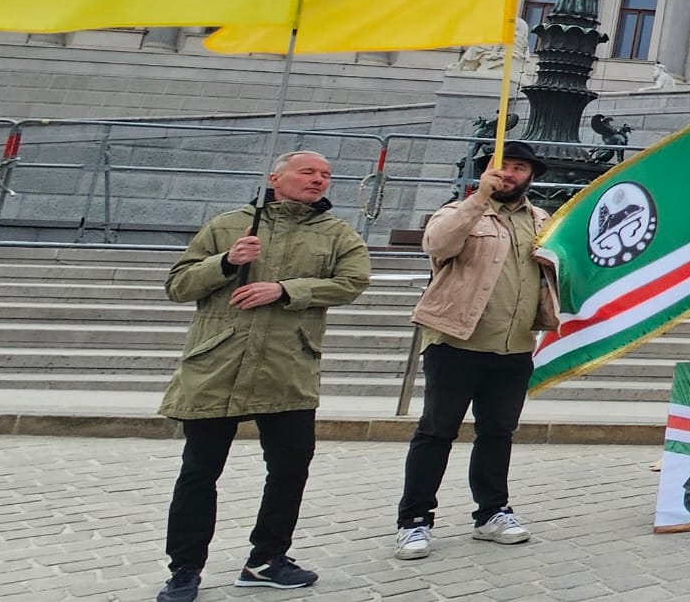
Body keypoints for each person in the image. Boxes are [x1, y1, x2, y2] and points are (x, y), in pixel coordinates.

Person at [153, 152, 371, 602]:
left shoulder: (337, 233)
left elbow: (353, 282)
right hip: (218, 364)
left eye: (326, 175)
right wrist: (227, 262)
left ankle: (267, 560)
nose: (318, 180)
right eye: (307, 171)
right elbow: (178, 285)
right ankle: (185, 569)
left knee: (290, 468)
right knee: (199, 471)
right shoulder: (230, 224)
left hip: (287, 365)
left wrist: (287, 289)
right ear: (276, 177)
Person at [393, 139, 557, 562]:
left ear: (531, 176)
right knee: (436, 432)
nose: (509, 174)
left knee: (498, 433)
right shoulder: (459, 210)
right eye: (501, 166)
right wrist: (479, 197)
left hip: (514, 345)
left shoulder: (541, 220)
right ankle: (415, 521)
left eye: (519, 167)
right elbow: (438, 245)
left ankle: (492, 512)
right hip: (456, 341)